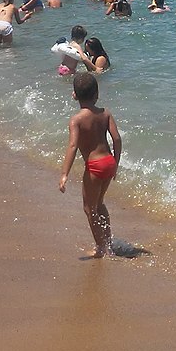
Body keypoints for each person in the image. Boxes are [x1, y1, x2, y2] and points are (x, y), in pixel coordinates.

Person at [58, 72, 122, 258]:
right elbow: (117, 139)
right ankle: (108, 242)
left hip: (94, 166)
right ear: (97, 94)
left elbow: (72, 145)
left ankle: (101, 247)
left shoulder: (76, 120)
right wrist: (116, 163)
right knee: (99, 203)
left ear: (74, 95)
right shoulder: (105, 113)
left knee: (89, 208)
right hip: (108, 162)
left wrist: (64, 174)